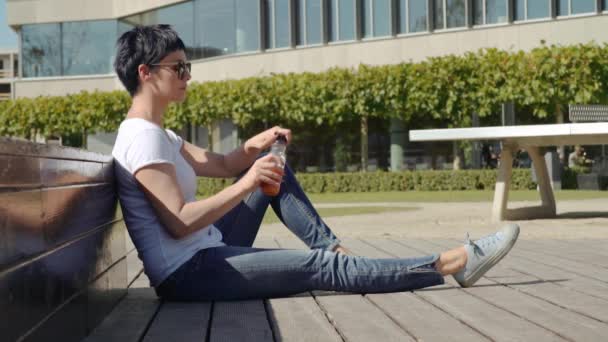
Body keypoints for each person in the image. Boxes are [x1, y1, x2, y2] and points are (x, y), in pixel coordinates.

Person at [111, 25, 520, 301]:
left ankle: (334, 249)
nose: (187, 75)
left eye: (188, 66)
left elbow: (220, 163)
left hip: (203, 249)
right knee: (319, 268)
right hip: (187, 273)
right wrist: (248, 182)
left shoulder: (159, 133)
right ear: (146, 73)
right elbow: (179, 220)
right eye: (178, 68)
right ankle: (453, 262)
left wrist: (256, 149)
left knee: (274, 166)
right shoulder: (142, 139)